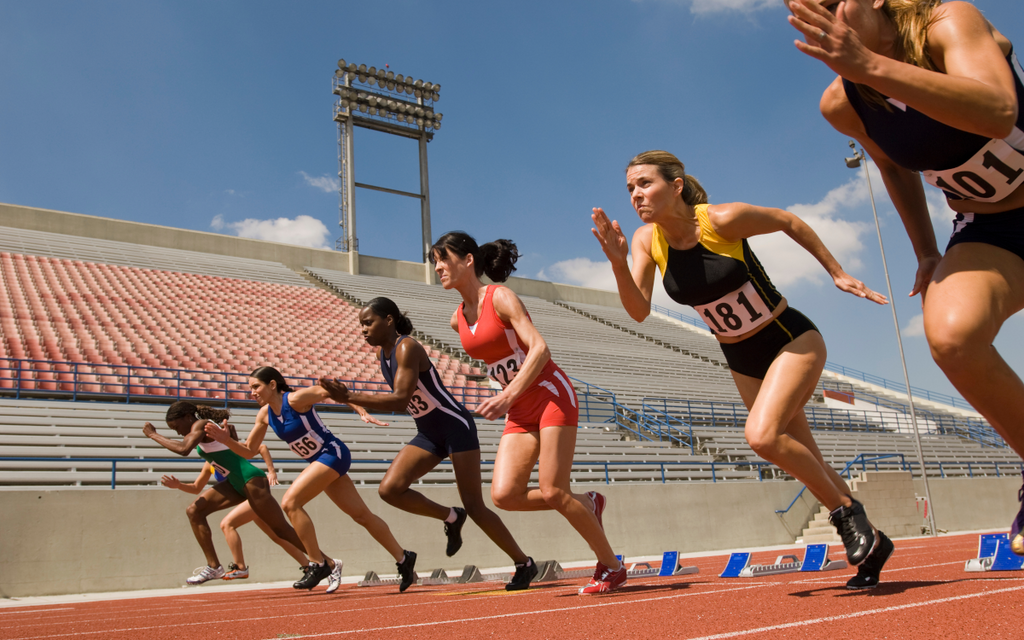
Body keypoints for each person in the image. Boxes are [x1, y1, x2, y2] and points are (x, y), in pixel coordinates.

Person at [788, 0, 1024, 561]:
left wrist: (871, 64)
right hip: (994, 229)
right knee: (951, 336)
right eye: (807, 12)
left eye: (830, 5)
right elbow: (893, 166)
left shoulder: (947, 22)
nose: (824, 22)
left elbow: (997, 112)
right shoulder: (844, 101)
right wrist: (924, 249)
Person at [591, 150, 892, 589]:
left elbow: (788, 221)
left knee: (762, 436)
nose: (636, 195)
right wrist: (619, 265)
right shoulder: (645, 240)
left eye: (645, 184)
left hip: (789, 338)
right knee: (808, 458)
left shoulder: (719, 220)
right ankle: (874, 545)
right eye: (630, 188)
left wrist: (837, 272)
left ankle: (847, 516)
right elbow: (638, 311)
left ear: (676, 186)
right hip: (741, 358)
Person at [429, 231, 625, 595]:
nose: (437, 267)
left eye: (443, 258)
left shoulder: (500, 298)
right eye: (434, 261)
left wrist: (507, 395)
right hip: (519, 408)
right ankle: (588, 502)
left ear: (468, 259)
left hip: (550, 394)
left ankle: (611, 566)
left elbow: (539, 348)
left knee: (553, 490)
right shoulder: (457, 319)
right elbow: (497, 358)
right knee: (504, 496)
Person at [319, 296, 538, 591]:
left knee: (475, 505)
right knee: (390, 490)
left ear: (389, 320)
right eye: (361, 324)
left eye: (368, 322)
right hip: (428, 432)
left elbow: (400, 399)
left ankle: (523, 563)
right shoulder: (383, 355)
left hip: (455, 428)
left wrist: (349, 397)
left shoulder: (407, 347)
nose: (363, 329)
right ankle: (451, 516)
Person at [205, 366, 418, 592]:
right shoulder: (264, 414)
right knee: (361, 515)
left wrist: (360, 410)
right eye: (250, 389)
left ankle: (318, 563)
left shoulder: (295, 400)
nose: (252, 392)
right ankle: (404, 558)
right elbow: (249, 451)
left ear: (272, 385)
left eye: (256, 387)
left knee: (290, 503)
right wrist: (225, 440)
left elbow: (333, 392)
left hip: (332, 453)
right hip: (320, 462)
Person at [142, 402, 315, 588]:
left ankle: (324, 561)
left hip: (251, 481)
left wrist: (152, 435)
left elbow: (184, 449)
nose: (177, 432)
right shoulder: (207, 442)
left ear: (187, 417)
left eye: (176, 427)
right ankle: (214, 566)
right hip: (235, 483)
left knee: (280, 530)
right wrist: (230, 438)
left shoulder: (201, 425)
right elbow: (201, 480)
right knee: (194, 511)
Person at [160, 441, 308, 581]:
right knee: (277, 537)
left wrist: (271, 472)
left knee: (227, 524)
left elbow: (261, 447)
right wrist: (178, 485)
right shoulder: (210, 463)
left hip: (254, 496)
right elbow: (196, 487)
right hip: (244, 499)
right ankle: (310, 566)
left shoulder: (227, 451)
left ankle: (240, 567)